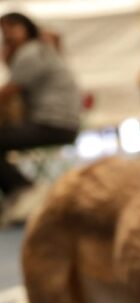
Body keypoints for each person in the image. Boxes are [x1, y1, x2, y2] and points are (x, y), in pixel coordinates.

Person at [0, 12, 80, 221]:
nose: (7, 34)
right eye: (4, 31)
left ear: (28, 28)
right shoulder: (41, 50)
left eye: (13, 28)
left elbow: (7, 93)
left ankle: (24, 190)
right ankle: (22, 193)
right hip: (61, 123)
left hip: (53, 124)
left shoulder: (31, 52)